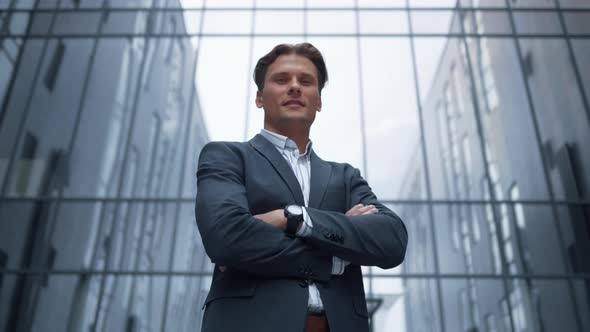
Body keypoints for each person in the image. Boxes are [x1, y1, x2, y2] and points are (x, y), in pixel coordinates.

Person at [195, 43, 408, 332]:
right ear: (259, 97)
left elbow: (391, 241)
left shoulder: (345, 176)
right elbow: (226, 238)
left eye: (306, 81)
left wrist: (293, 217)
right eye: (281, 80)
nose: (294, 87)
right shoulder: (227, 157)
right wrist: (336, 251)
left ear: (318, 100)